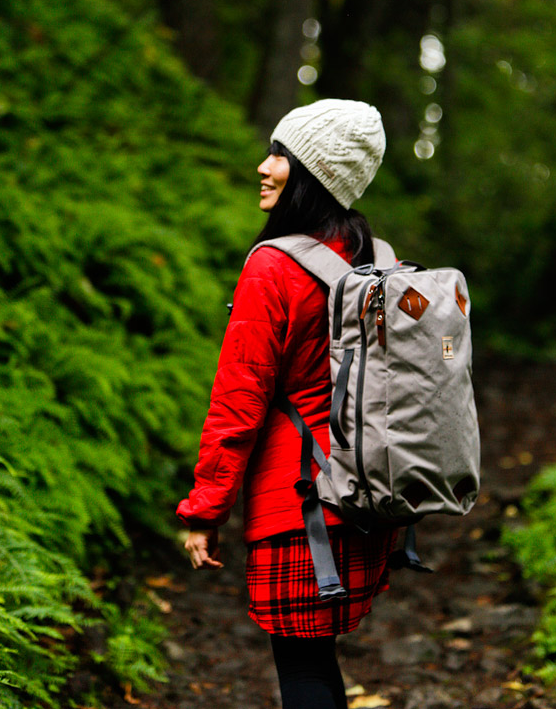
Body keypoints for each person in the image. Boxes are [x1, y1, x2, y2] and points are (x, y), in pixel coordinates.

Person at [176, 98, 396, 709]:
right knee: (315, 655)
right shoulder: (377, 258)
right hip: (370, 489)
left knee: (300, 665)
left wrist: (205, 508)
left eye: (280, 155)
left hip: (297, 501)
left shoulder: (273, 267)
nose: (263, 166)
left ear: (314, 175)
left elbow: (237, 399)